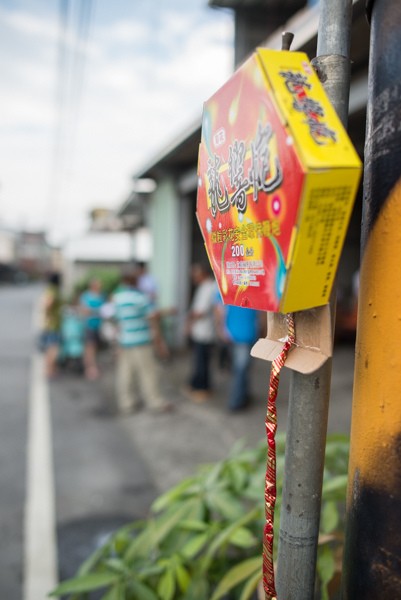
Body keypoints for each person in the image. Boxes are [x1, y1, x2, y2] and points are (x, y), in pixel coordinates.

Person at [111, 270, 172, 414]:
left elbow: (116, 319)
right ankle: (154, 401)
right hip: (141, 340)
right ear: (136, 281)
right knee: (148, 372)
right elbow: (152, 315)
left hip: (125, 340)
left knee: (126, 373)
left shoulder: (117, 298)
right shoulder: (141, 298)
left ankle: (127, 402)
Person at [214, 295, 261, 411]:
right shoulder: (255, 282)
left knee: (242, 368)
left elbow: (218, 309)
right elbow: (262, 313)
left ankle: (243, 396)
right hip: (246, 333)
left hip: (233, 333)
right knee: (241, 369)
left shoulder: (229, 281)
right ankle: (236, 402)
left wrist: (220, 330)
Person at [184, 262, 217, 401]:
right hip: (201, 331)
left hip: (205, 332)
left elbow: (200, 312)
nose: (193, 278)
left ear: (203, 273)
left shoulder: (210, 287)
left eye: (195, 274)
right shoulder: (204, 286)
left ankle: (202, 388)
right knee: (200, 361)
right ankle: (197, 385)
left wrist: (189, 318)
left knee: (202, 362)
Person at [79, 278, 105, 380]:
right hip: (89, 325)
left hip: (98, 325)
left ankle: (93, 365)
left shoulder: (101, 295)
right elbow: (83, 311)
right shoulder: (86, 296)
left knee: (95, 347)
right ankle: (89, 368)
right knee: (90, 347)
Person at [41, 272, 63, 379]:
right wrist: (50, 314)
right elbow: (48, 304)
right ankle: (50, 370)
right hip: (53, 325)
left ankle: (50, 369)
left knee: (50, 348)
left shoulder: (49, 289)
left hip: (51, 324)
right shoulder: (53, 290)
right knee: (53, 348)